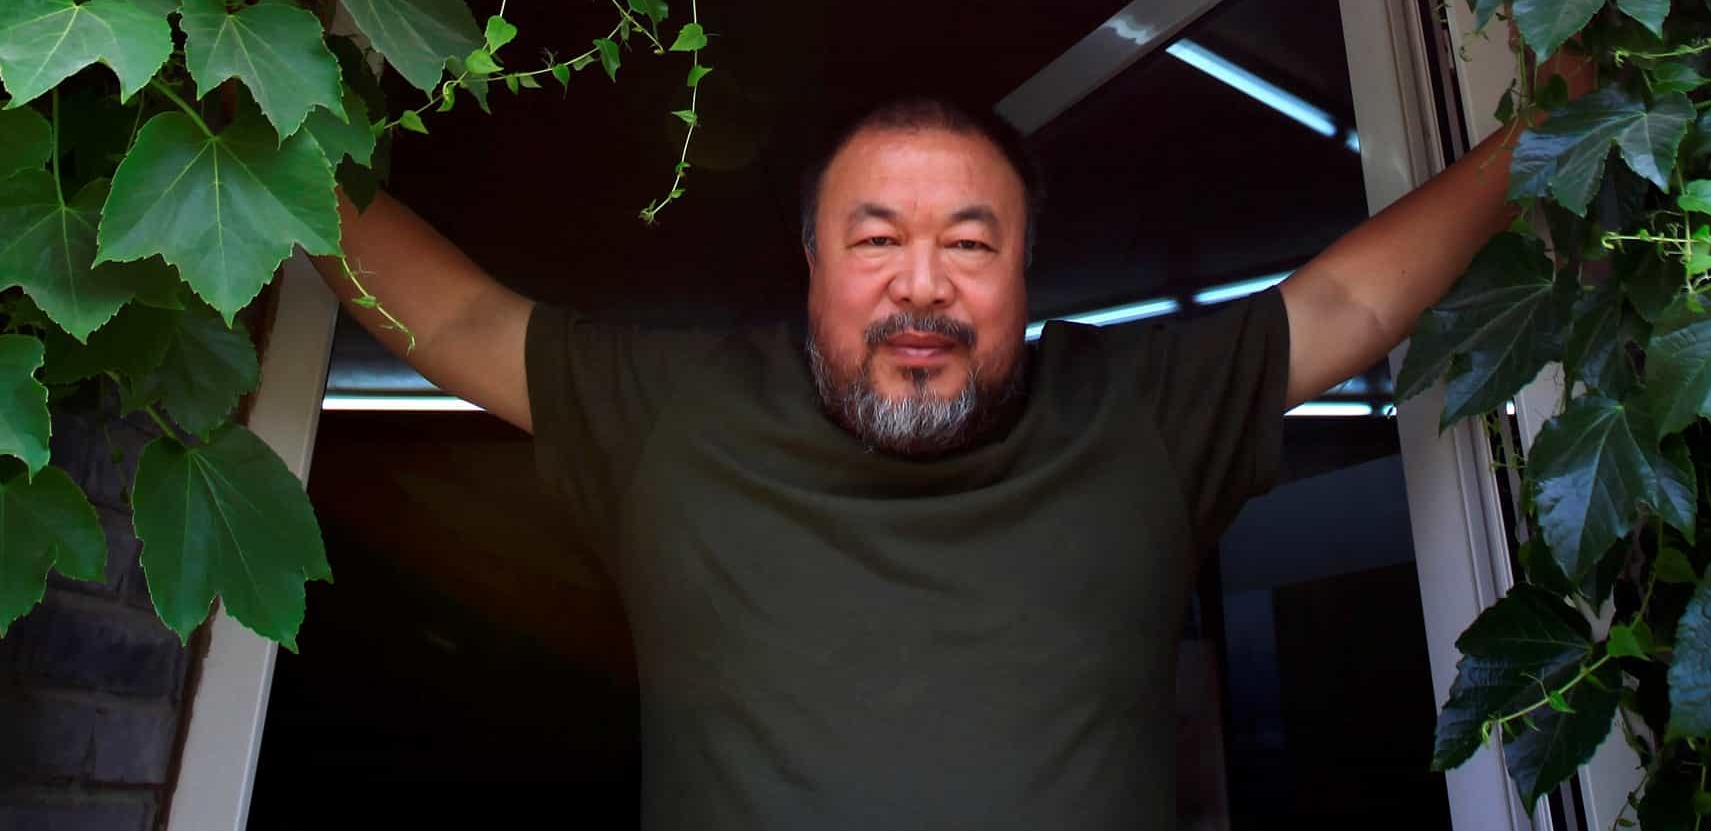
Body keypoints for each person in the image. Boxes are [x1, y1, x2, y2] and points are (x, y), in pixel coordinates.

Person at [317, 55, 1586, 831]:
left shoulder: (1136, 402)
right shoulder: (677, 408)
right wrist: (233, 94)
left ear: (1027, 273)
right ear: (812, 264)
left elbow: (1352, 304)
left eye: (969, 243)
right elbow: (455, 313)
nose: (921, 285)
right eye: (876, 239)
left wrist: (1564, 121)